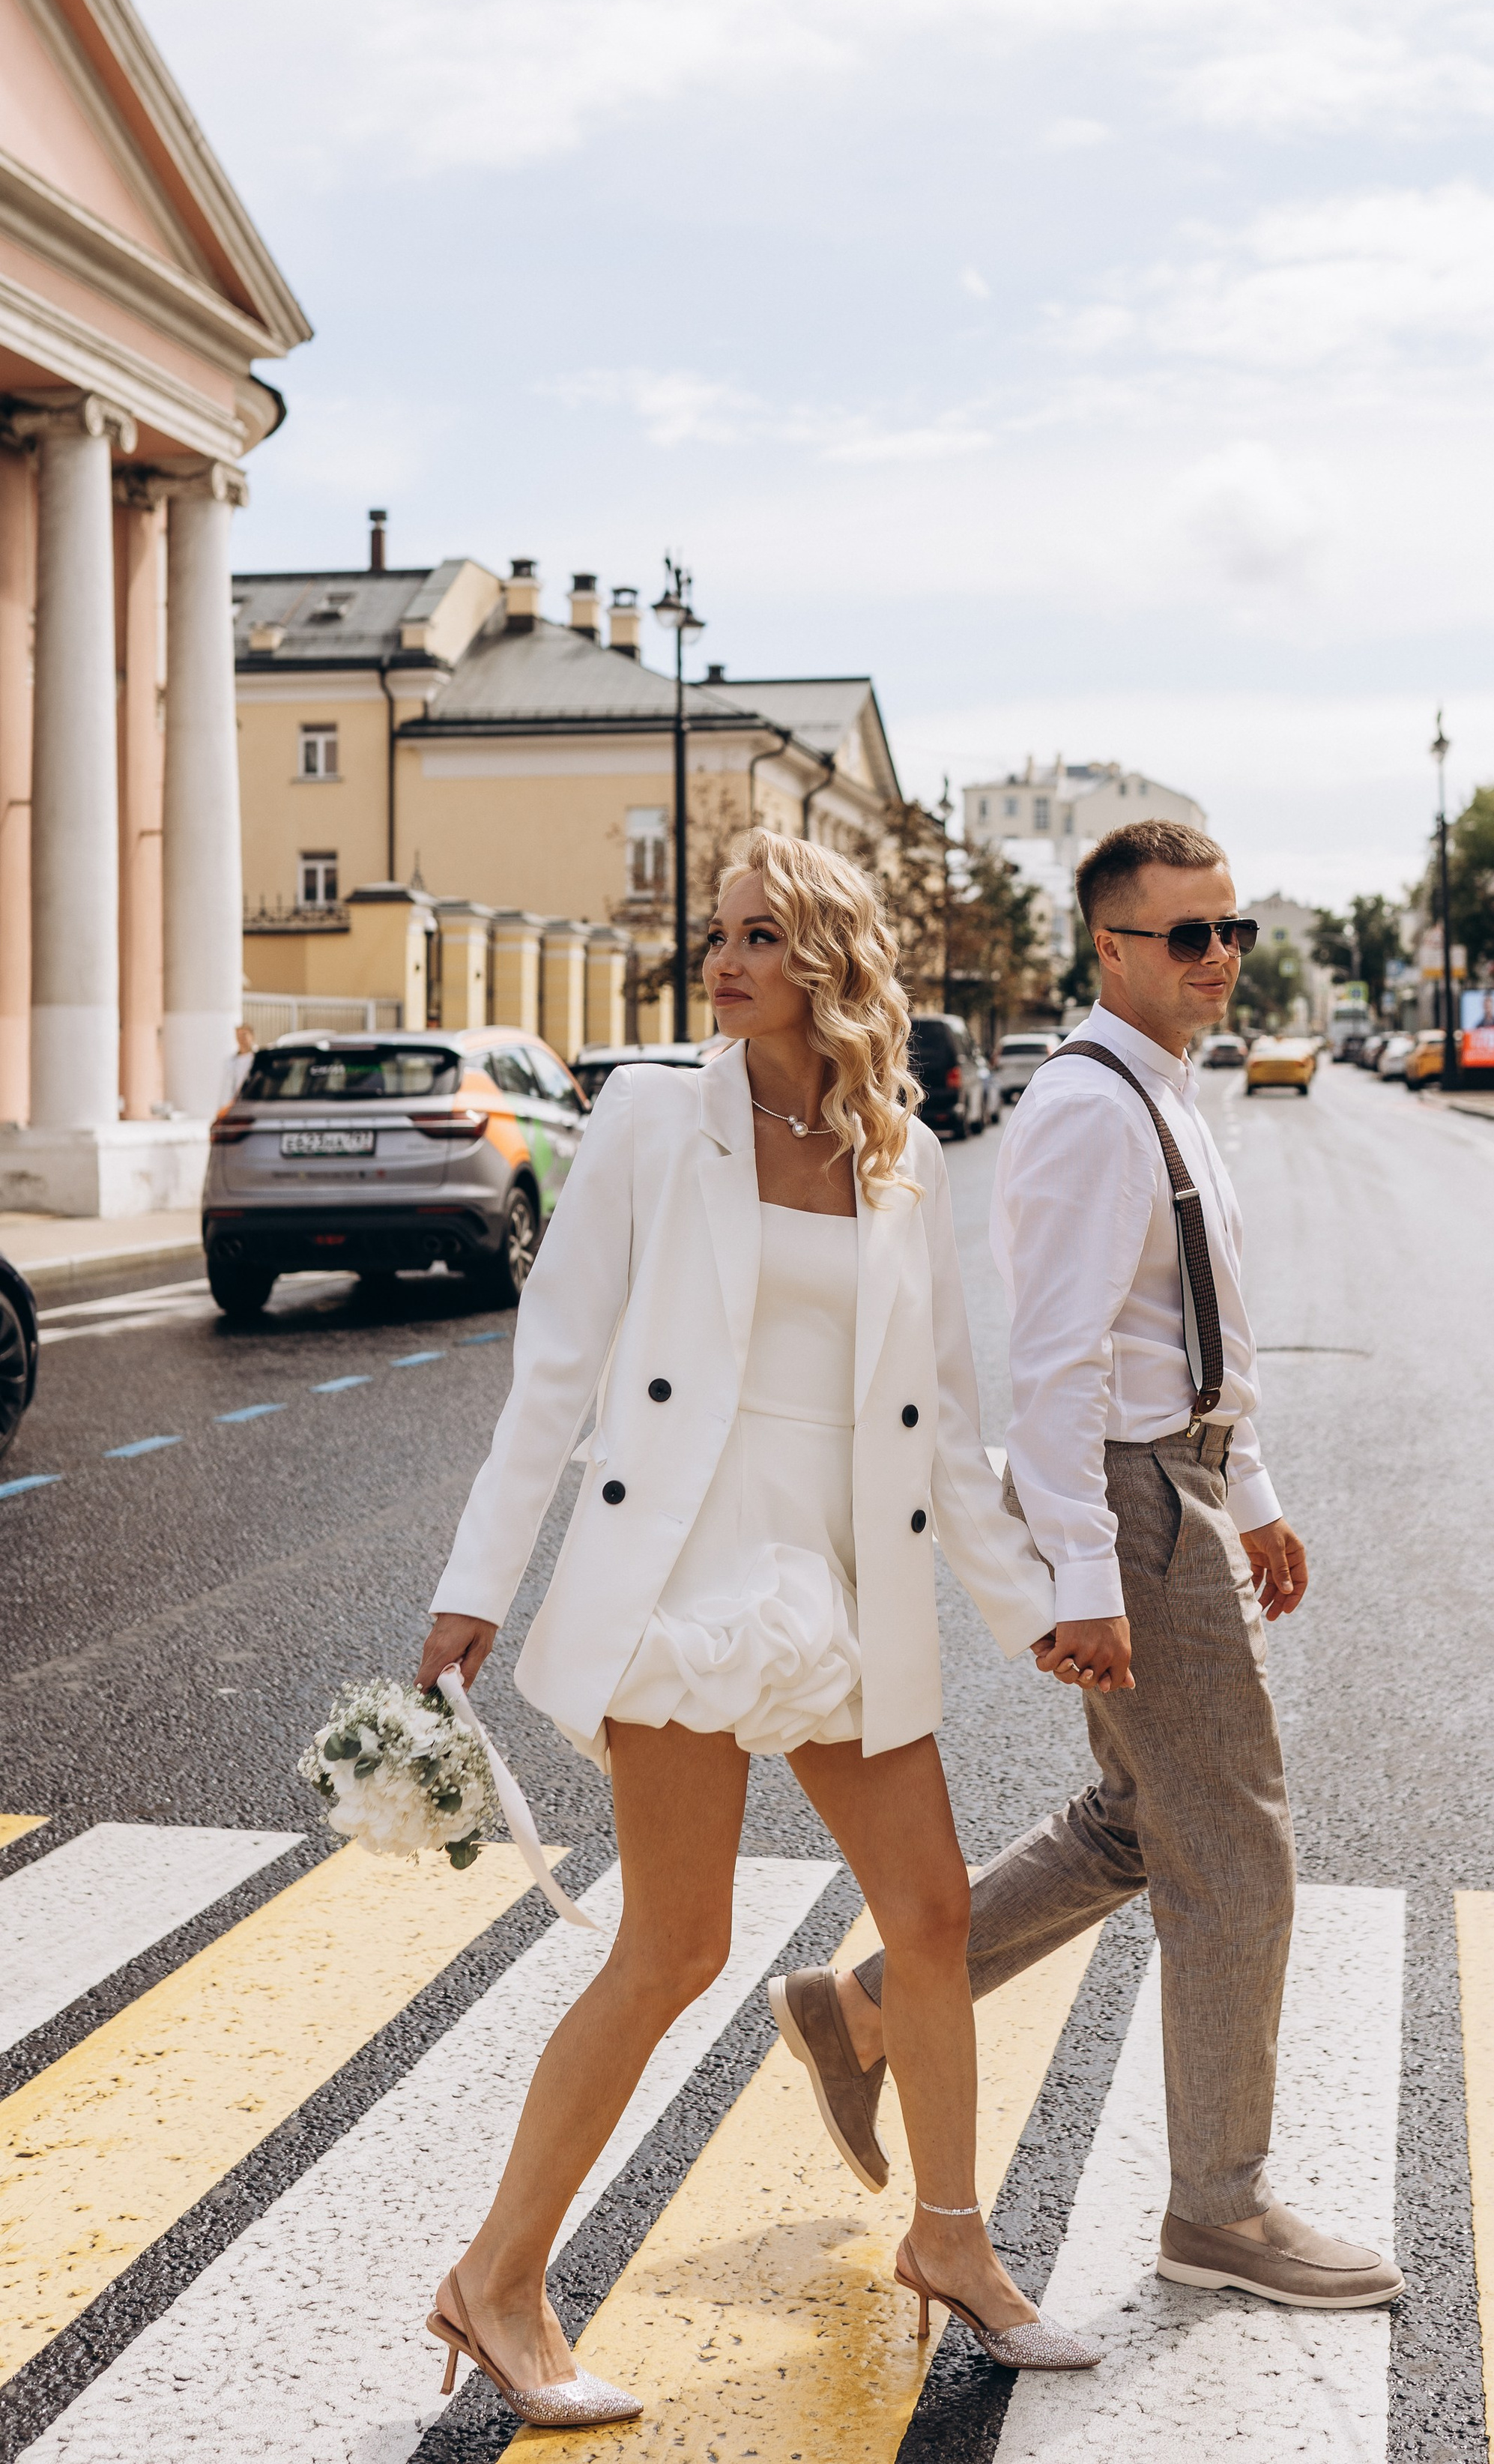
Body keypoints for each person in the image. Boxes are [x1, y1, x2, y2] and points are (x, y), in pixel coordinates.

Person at [415, 831, 1098, 2430]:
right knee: (676, 1946)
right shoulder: (654, 1119)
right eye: (716, 935)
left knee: (929, 1917)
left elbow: (942, 1427)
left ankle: (950, 2241)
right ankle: (497, 2280)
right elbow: (556, 1368)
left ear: (830, 964)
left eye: (761, 938)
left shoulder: (900, 1153)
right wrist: (475, 1580)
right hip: (680, 1577)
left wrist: (1036, 1613)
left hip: (841, 1584)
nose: (721, 962)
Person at [772, 819, 1403, 2314]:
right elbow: (1053, 1367)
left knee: (1143, 1821)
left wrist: (1247, 1491)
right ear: (1108, 947)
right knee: (1231, 1850)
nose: (1219, 958)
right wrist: (1087, 1579)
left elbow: (1183, 1331)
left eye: (1231, 930)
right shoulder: (1085, 1107)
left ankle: (853, 2015)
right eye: (1186, 935)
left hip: (1171, 1485)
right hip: (1126, 1505)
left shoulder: (1160, 1096)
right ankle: (1219, 2211)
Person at [217, 1021, 256, 1105]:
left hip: (253, 1102)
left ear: (252, 1036)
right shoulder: (230, 1061)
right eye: (239, 1036)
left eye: (244, 1035)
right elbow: (226, 1089)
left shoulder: (259, 1059)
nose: (241, 1039)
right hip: (236, 1104)